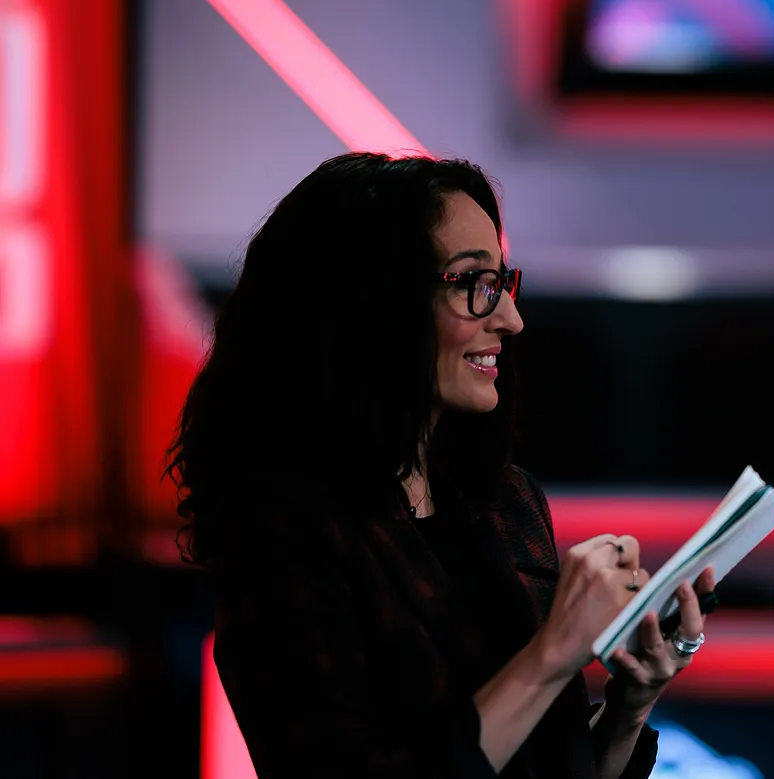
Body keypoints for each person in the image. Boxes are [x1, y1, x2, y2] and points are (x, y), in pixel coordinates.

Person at [166, 153, 715, 778]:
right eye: (474, 284)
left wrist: (628, 707)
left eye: (503, 283)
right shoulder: (282, 528)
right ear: (374, 303)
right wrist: (553, 652)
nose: (510, 319)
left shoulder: (507, 501)